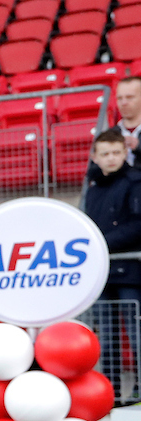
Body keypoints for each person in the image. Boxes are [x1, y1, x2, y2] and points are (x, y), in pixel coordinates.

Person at [86, 128, 141, 397]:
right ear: (95, 157)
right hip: (102, 274)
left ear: (125, 153)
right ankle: (112, 393)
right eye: (105, 153)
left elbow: (138, 224)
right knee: (106, 337)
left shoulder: (135, 182)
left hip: (130, 271)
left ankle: (138, 392)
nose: (111, 158)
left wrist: (102, 243)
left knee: (136, 333)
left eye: (116, 153)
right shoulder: (93, 189)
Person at [115, 76, 141, 167]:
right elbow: (93, 172)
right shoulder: (110, 134)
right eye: (119, 98)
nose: (124, 103)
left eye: (129, 97)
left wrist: (138, 147)